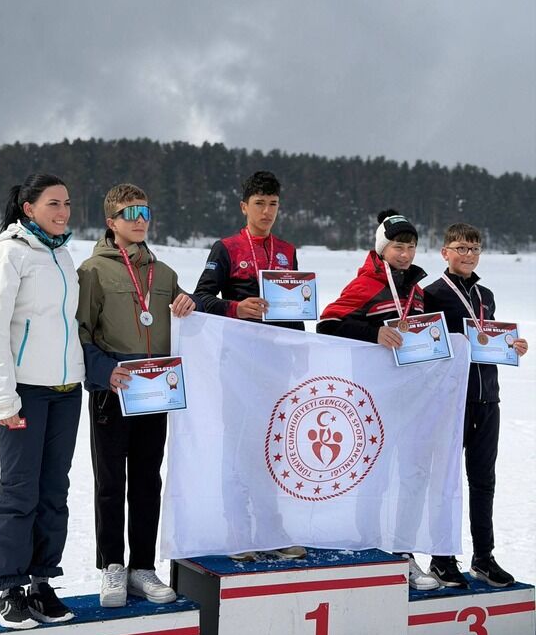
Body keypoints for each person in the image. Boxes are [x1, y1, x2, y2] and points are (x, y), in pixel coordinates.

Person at [77, 183, 196, 607]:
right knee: (111, 482)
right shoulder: (92, 271)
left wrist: (189, 303)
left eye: (145, 212)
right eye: (130, 213)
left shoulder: (163, 273)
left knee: (148, 481)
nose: (140, 220)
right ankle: (112, 565)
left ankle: (142, 567)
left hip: (156, 391)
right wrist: (103, 372)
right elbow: (80, 333)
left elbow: (185, 318)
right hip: (114, 390)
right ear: (111, 222)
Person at [0, 173, 85, 629]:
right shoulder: (9, 253)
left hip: (65, 392)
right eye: (53, 204)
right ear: (29, 208)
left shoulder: (62, 254)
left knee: (54, 490)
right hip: (24, 391)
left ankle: (42, 582)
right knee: (20, 490)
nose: (63, 211)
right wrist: (4, 400)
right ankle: (10, 587)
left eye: (67, 203)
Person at [317, 210, 439, 591]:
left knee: (410, 477)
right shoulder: (366, 284)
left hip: (411, 398)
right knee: (375, 475)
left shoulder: (417, 291)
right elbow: (327, 324)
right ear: (382, 249)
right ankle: (368, 545)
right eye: (398, 246)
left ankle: (403, 552)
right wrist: (374, 334)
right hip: (373, 400)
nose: (405, 254)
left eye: (411, 247)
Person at [194, 170, 306, 561]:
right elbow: (201, 298)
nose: (267, 211)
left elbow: (295, 308)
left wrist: (302, 349)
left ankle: (271, 530)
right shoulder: (225, 248)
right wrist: (235, 308)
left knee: (270, 445)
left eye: (273, 204)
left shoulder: (287, 250)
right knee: (237, 447)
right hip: (238, 365)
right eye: (259, 203)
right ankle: (238, 531)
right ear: (244, 206)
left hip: (275, 366)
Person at [424, 223, 528, 588]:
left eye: (474, 249)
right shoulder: (432, 294)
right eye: (460, 248)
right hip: (453, 401)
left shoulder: (486, 295)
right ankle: (441, 558)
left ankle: (484, 557)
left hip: (488, 399)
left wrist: (512, 346)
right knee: (446, 482)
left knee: (484, 481)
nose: (468, 255)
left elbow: (488, 340)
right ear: (445, 252)